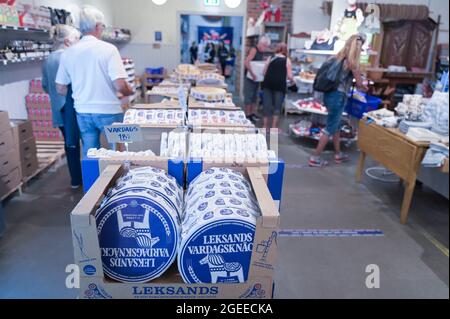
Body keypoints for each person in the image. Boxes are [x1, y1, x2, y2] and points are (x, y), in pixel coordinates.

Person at [56, 5, 134, 157]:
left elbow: (60, 88)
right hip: (110, 111)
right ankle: (123, 180)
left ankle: (92, 181)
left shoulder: (68, 52)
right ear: (98, 26)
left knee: (90, 153)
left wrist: (81, 93)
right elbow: (120, 84)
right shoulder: (109, 49)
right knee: (121, 153)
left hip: (83, 111)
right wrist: (129, 91)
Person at [309, 34, 368, 167]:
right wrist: (365, 86)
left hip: (329, 95)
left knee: (334, 124)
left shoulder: (337, 58)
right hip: (338, 97)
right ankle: (315, 157)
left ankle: (338, 154)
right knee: (330, 127)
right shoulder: (353, 63)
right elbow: (359, 84)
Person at [42, 24, 82, 189]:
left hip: (58, 108)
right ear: (67, 41)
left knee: (69, 144)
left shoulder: (48, 59)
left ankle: (75, 180)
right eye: (75, 39)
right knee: (85, 141)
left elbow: (45, 85)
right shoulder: (68, 57)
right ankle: (89, 179)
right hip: (71, 107)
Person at [262, 43, 294, 131]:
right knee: (277, 106)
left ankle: (265, 126)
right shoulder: (287, 60)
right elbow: (290, 75)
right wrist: (293, 81)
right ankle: (273, 127)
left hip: (268, 84)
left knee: (266, 105)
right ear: (285, 50)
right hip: (279, 85)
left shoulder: (270, 58)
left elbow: (264, 72)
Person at [244, 35, 271, 123]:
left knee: (255, 96)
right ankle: (247, 115)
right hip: (250, 77)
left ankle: (252, 113)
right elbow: (246, 62)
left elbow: (257, 61)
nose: (266, 48)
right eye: (265, 46)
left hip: (256, 77)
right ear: (261, 44)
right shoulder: (254, 50)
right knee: (249, 96)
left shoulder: (261, 51)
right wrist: (252, 73)